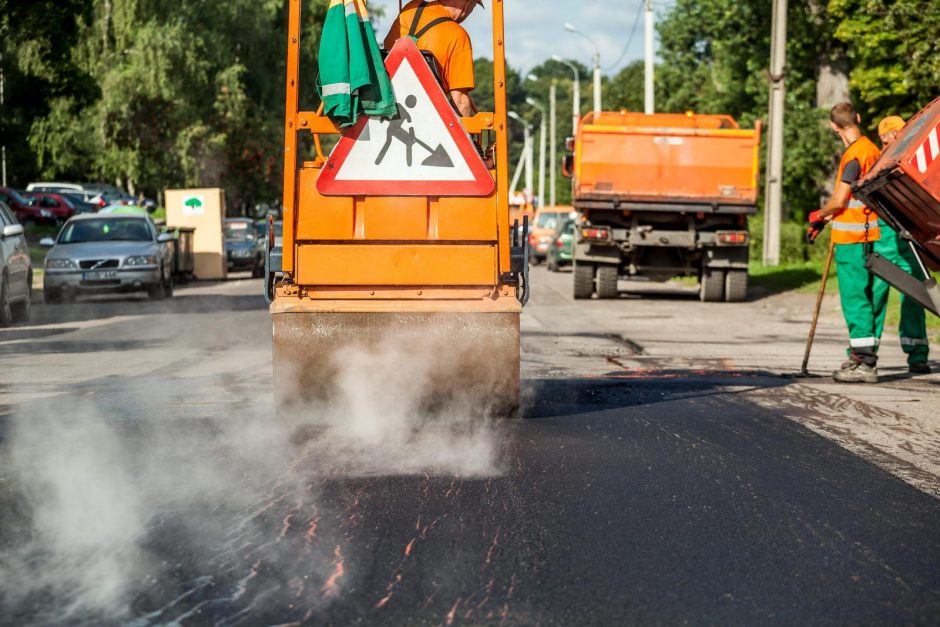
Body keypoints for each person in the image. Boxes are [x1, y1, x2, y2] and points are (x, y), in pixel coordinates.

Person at [811, 103, 886, 383]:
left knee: (855, 299)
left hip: (851, 239)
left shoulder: (853, 156)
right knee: (867, 298)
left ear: (834, 127)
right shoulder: (872, 150)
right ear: (858, 118)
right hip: (870, 235)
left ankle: (865, 363)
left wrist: (818, 216)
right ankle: (861, 356)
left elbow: (840, 200)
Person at [873, 115, 932, 373]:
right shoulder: (875, 165)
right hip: (883, 244)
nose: (897, 136)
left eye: (900, 131)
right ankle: (864, 354)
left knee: (915, 298)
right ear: (884, 137)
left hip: (909, 245)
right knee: (874, 299)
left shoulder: (910, 162)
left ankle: (917, 354)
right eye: (893, 133)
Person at [384, 0, 483, 117]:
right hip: (428, 119)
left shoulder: (410, 8)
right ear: (468, 4)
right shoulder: (458, 36)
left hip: (388, 108)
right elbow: (461, 102)